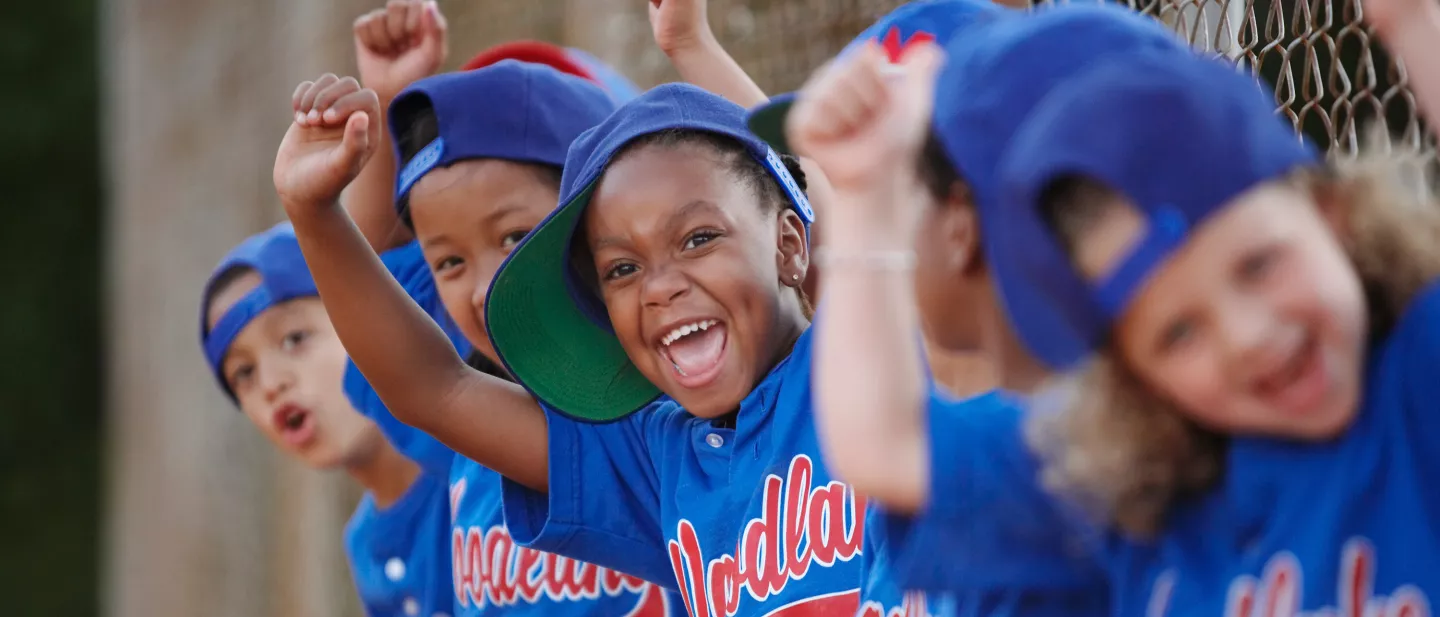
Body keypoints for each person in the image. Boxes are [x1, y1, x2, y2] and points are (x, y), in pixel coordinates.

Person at [795, 0, 1440, 613]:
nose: (1246, 336)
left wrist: (1413, 23)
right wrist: (865, 200)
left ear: (1336, 216)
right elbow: (884, 445)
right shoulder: (1137, 487)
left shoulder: (1412, 388)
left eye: (1260, 264)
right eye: (1177, 333)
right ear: (1133, 373)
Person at [198, 223, 451, 617]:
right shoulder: (363, 543)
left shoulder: (477, 470)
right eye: (243, 374)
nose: (270, 384)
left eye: (295, 338)